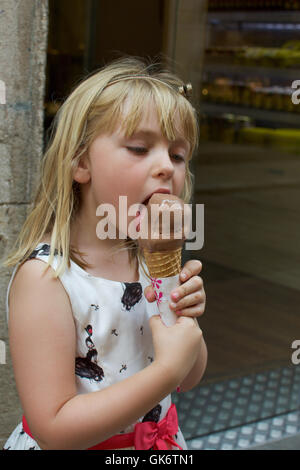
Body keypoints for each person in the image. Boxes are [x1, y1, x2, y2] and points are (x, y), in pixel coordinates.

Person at [3, 56, 207, 450]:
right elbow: (54, 428)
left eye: (178, 155)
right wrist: (166, 371)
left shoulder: (150, 263)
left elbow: (189, 376)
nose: (166, 166)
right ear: (81, 162)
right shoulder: (47, 279)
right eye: (139, 147)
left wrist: (188, 327)